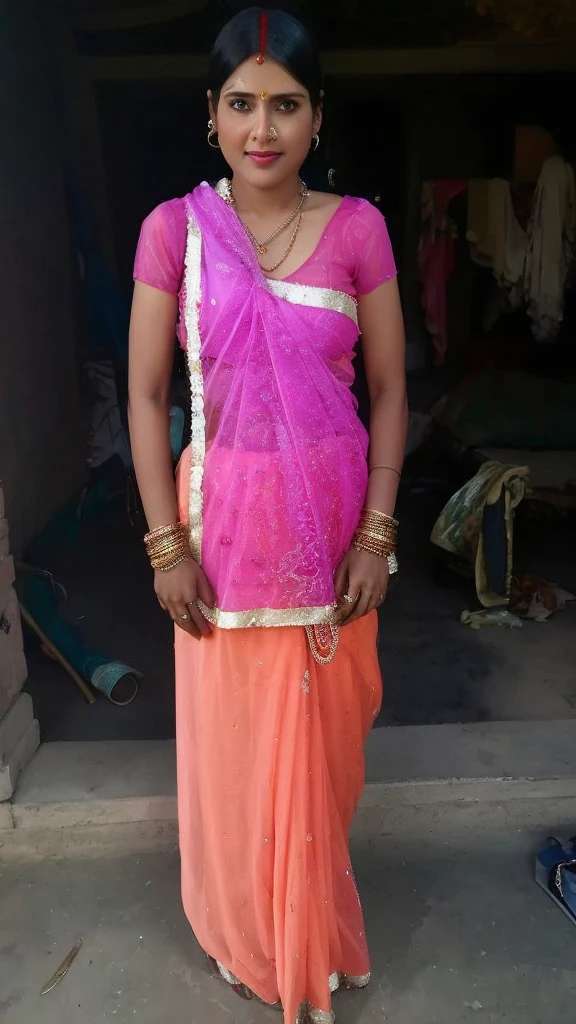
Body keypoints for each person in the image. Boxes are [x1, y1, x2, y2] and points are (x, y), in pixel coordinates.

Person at [128, 8, 407, 1022]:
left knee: (321, 755)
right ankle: (253, 934)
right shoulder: (174, 233)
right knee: (241, 750)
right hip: (226, 536)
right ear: (211, 116)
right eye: (241, 103)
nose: (263, 127)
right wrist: (166, 545)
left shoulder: (359, 230)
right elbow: (145, 395)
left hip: (333, 540)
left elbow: (387, 391)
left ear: (317, 115)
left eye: (285, 103)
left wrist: (378, 532)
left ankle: (311, 929)